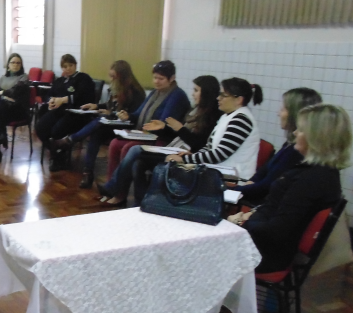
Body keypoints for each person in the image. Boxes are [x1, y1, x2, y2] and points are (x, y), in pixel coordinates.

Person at [229, 104, 351, 273]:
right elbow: (277, 208)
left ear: (316, 137)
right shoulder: (318, 172)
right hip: (263, 242)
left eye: (300, 130)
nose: (294, 133)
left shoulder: (312, 179)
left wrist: (240, 223)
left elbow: (277, 230)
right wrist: (250, 214)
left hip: (266, 253)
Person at [125, 75, 223, 205]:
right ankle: (142, 202)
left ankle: (115, 189)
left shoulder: (212, 116)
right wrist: (164, 127)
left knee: (135, 150)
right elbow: (180, 134)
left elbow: (199, 144)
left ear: (206, 93)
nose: (193, 94)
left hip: (187, 156)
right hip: (176, 148)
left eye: (196, 90)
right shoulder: (195, 111)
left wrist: (180, 129)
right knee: (138, 161)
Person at [51, 59, 146, 187]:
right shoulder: (118, 87)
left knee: (99, 122)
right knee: (97, 132)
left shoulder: (136, 93)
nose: (111, 80)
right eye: (110, 76)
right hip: (112, 124)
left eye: (114, 77)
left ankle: (70, 140)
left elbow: (132, 116)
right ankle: (87, 173)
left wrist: (110, 114)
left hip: (127, 127)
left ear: (122, 77)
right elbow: (110, 106)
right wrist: (95, 106)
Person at [230, 88, 322, 205]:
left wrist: (231, 190)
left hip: (263, 205)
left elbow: (266, 187)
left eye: (283, 109)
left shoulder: (296, 151)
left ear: (295, 114)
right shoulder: (289, 144)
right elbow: (264, 171)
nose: (278, 113)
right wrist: (250, 182)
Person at [103, 60, 190, 181]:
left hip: (163, 140)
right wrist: (128, 116)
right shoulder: (155, 92)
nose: (156, 81)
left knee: (128, 148)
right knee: (114, 144)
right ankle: (111, 183)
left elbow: (166, 126)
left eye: (161, 78)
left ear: (172, 78)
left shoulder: (177, 96)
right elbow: (138, 114)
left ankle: (118, 191)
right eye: (155, 78)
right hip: (146, 136)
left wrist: (157, 127)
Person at [163, 77, 263, 181]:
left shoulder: (241, 120)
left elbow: (220, 154)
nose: (218, 98)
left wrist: (185, 159)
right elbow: (209, 147)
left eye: (223, 95)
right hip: (220, 173)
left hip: (234, 179)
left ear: (238, 99)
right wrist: (195, 155)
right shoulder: (227, 116)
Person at [34, 54, 97, 171]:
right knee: (40, 128)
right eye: (65, 66)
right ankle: (57, 153)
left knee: (56, 130)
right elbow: (49, 95)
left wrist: (64, 99)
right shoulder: (59, 81)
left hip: (76, 114)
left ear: (75, 65)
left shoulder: (83, 78)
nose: (68, 69)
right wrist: (51, 101)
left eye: (70, 65)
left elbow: (84, 97)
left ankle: (58, 157)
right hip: (58, 112)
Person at [0, 54, 31, 164]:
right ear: (8, 65)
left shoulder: (24, 77)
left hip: (19, 110)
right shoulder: (2, 78)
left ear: (21, 65)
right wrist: (4, 95)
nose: (15, 65)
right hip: (3, 111)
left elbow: (16, 92)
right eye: (13, 62)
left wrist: (2, 93)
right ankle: (1, 136)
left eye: (18, 63)